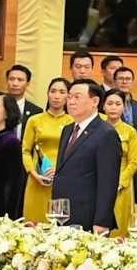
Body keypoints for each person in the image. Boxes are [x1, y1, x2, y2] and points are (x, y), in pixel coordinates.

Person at [51, 80, 122, 233]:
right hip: (62, 213)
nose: (71, 101)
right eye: (69, 97)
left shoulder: (106, 133)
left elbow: (108, 182)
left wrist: (101, 221)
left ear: (95, 101)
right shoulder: (68, 129)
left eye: (77, 97)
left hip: (87, 216)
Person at [20, 79, 74, 223]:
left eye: (62, 92)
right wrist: (33, 173)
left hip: (62, 178)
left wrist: (60, 170)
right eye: (53, 91)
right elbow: (25, 150)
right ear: (47, 94)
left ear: (68, 97)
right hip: (37, 178)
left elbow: (75, 153)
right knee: (33, 223)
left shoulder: (73, 122)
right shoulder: (34, 120)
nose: (56, 96)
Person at [101, 89, 137, 235]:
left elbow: (133, 162)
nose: (113, 107)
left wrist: (120, 182)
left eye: (118, 104)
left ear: (123, 107)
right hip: (99, 180)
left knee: (120, 227)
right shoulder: (97, 129)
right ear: (103, 106)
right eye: (110, 103)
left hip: (122, 184)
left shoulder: (130, 131)